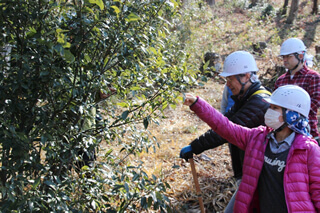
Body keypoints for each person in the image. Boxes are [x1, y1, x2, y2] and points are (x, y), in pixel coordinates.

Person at [182, 85, 320, 212]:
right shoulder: (256, 138)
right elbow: (225, 127)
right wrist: (198, 104)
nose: (269, 111)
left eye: (275, 108)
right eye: (270, 106)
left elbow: (317, 192)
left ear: (292, 115)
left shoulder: (308, 150)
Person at [180, 51, 271, 212]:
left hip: (261, 178)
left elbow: (226, 131)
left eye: (230, 79)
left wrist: (195, 147)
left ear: (246, 76)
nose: (227, 84)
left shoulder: (259, 102)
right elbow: (222, 123)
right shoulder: (245, 99)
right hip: (250, 172)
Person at [275, 38, 320, 142]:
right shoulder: (280, 80)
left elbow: (314, 104)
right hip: (282, 134)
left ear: (300, 56)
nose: (285, 60)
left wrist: (289, 115)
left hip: (307, 133)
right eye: (283, 57)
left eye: (288, 56)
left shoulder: (313, 77)